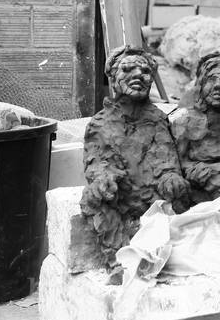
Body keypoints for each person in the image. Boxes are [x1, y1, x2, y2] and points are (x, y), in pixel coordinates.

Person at [80, 46, 190, 272]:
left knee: (183, 195)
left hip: (153, 197)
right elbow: (97, 159)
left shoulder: (158, 119)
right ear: (112, 77)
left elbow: (166, 158)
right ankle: (121, 260)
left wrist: (171, 177)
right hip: (120, 195)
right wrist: (103, 178)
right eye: (128, 69)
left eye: (145, 71)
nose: (138, 75)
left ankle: (162, 255)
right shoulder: (99, 123)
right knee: (95, 199)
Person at [171, 53, 220, 203]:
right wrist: (195, 172)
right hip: (190, 184)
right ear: (201, 87)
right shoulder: (185, 123)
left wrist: (211, 170)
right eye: (211, 80)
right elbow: (175, 162)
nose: (218, 86)